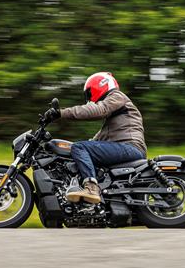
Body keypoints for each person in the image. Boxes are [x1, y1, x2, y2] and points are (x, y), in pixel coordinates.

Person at [44, 72, 146, 204]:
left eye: (89, 93)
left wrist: (62, 113)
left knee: (79, 147)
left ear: (100, 85)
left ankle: (91, 189)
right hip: (125, 147)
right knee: (80, 148)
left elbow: (99, 110)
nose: (90, 98)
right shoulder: (112, 119)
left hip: (130, 147)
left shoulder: (117, 96)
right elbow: (97, 140)